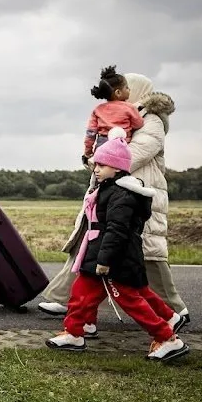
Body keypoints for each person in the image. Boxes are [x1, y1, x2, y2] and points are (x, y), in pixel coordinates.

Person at [38, 72, 190, 336]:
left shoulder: (151, 121)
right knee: (89, 247)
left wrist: (99, 159)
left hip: (135, 193)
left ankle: (173, 311)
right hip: (110, 192)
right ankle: (69, 303)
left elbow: (132, 155)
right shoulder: (119, 115)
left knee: (146, 257)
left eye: (131, 87)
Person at [46, 129, 189, 362]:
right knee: (81, 294)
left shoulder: (122, 194)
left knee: (130, 300)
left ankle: (167, 339)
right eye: (96, 165)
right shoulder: (108, 190)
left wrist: (104, 260)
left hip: (113, 258)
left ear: (117, 166)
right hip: (98, 253)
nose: (96, 169)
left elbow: (117, 230)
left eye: (101, 165)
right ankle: (74, 333)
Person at [82, 65, 144, 168]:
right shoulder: (129, 108)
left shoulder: (97, 109)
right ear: (118, 92)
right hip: (122, 145)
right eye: (126, 87)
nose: (129, 90)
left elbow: (90, 133)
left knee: (101, 174)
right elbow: (139, 124)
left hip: (102, 146)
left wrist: (88, 152)